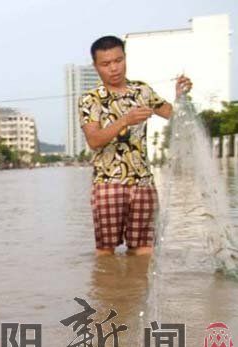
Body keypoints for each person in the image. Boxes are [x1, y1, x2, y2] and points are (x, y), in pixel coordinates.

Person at [79, 35, 191, 257]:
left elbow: (174, 116)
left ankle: (134, 291)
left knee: (144, 250)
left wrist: (181, 97)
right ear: (96, 66)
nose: (114, 68)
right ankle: (108, 292)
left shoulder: (143, 91)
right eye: (106, 64)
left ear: (125, 58)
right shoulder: (90, 99)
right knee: (106, 252)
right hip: (108, 184)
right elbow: (94, 141)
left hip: (144, 183)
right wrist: (124, 120)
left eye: (118, 60)